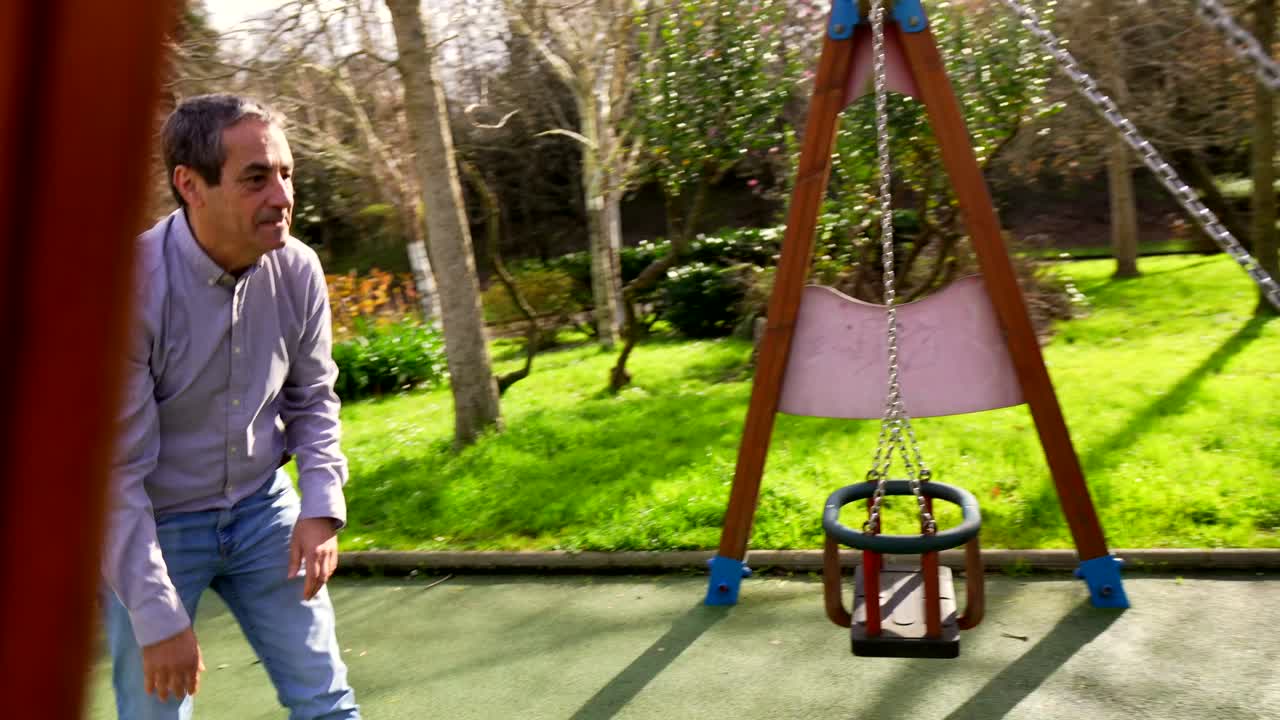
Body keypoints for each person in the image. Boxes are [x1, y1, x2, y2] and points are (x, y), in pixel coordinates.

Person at [102, 93, 360, 719]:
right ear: (190, 185)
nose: (281, 196)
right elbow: (113, 474)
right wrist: (156, 614)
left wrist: (323, 504)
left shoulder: (297, 269)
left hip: (262, 508)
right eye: (255, 179)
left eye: (285, 174)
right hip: (155, 526)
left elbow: (312, 400)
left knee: (327, 702)